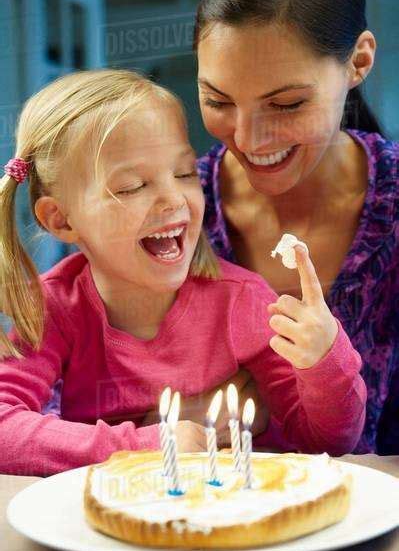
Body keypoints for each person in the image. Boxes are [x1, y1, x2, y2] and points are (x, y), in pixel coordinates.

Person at [0, 69, 365, 476]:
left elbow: (327, 439)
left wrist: (325, 359)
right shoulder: (54, 306)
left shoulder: (240, 300)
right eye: (132, 187)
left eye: (184, 174)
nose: (174, 199)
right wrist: (145, 444)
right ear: (62, 219)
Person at [194, 0, 399, 454]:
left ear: (358, 62)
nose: (248, 139)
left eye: (286, 104)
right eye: (218, 101)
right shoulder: (173, 216)